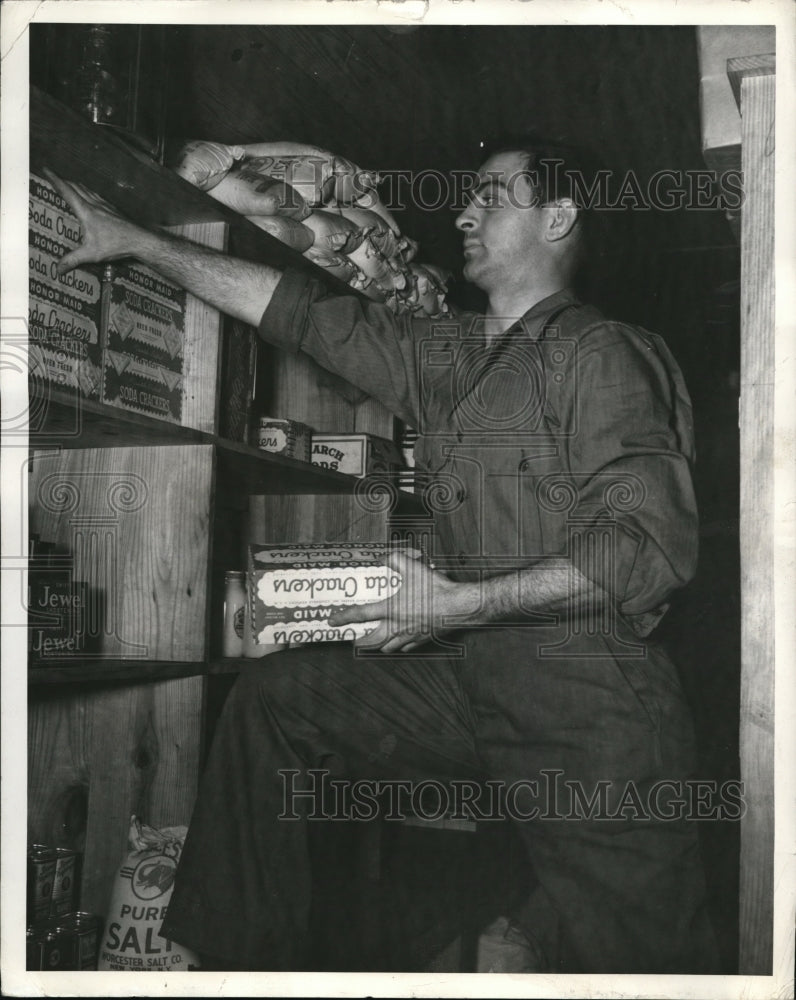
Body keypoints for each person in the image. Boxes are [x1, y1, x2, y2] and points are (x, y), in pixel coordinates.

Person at [45, 137, 720, 973]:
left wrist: (455, 605)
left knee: (648, 966)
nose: (463, 212)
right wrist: (139, 242)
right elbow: (295, 309)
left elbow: (643, 548)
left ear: (559, 216)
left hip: (597, 710)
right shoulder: (449, 355)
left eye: (491, 196)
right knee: (282, 699)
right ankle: (228, 967)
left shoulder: (605, 354)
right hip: (477, 684)